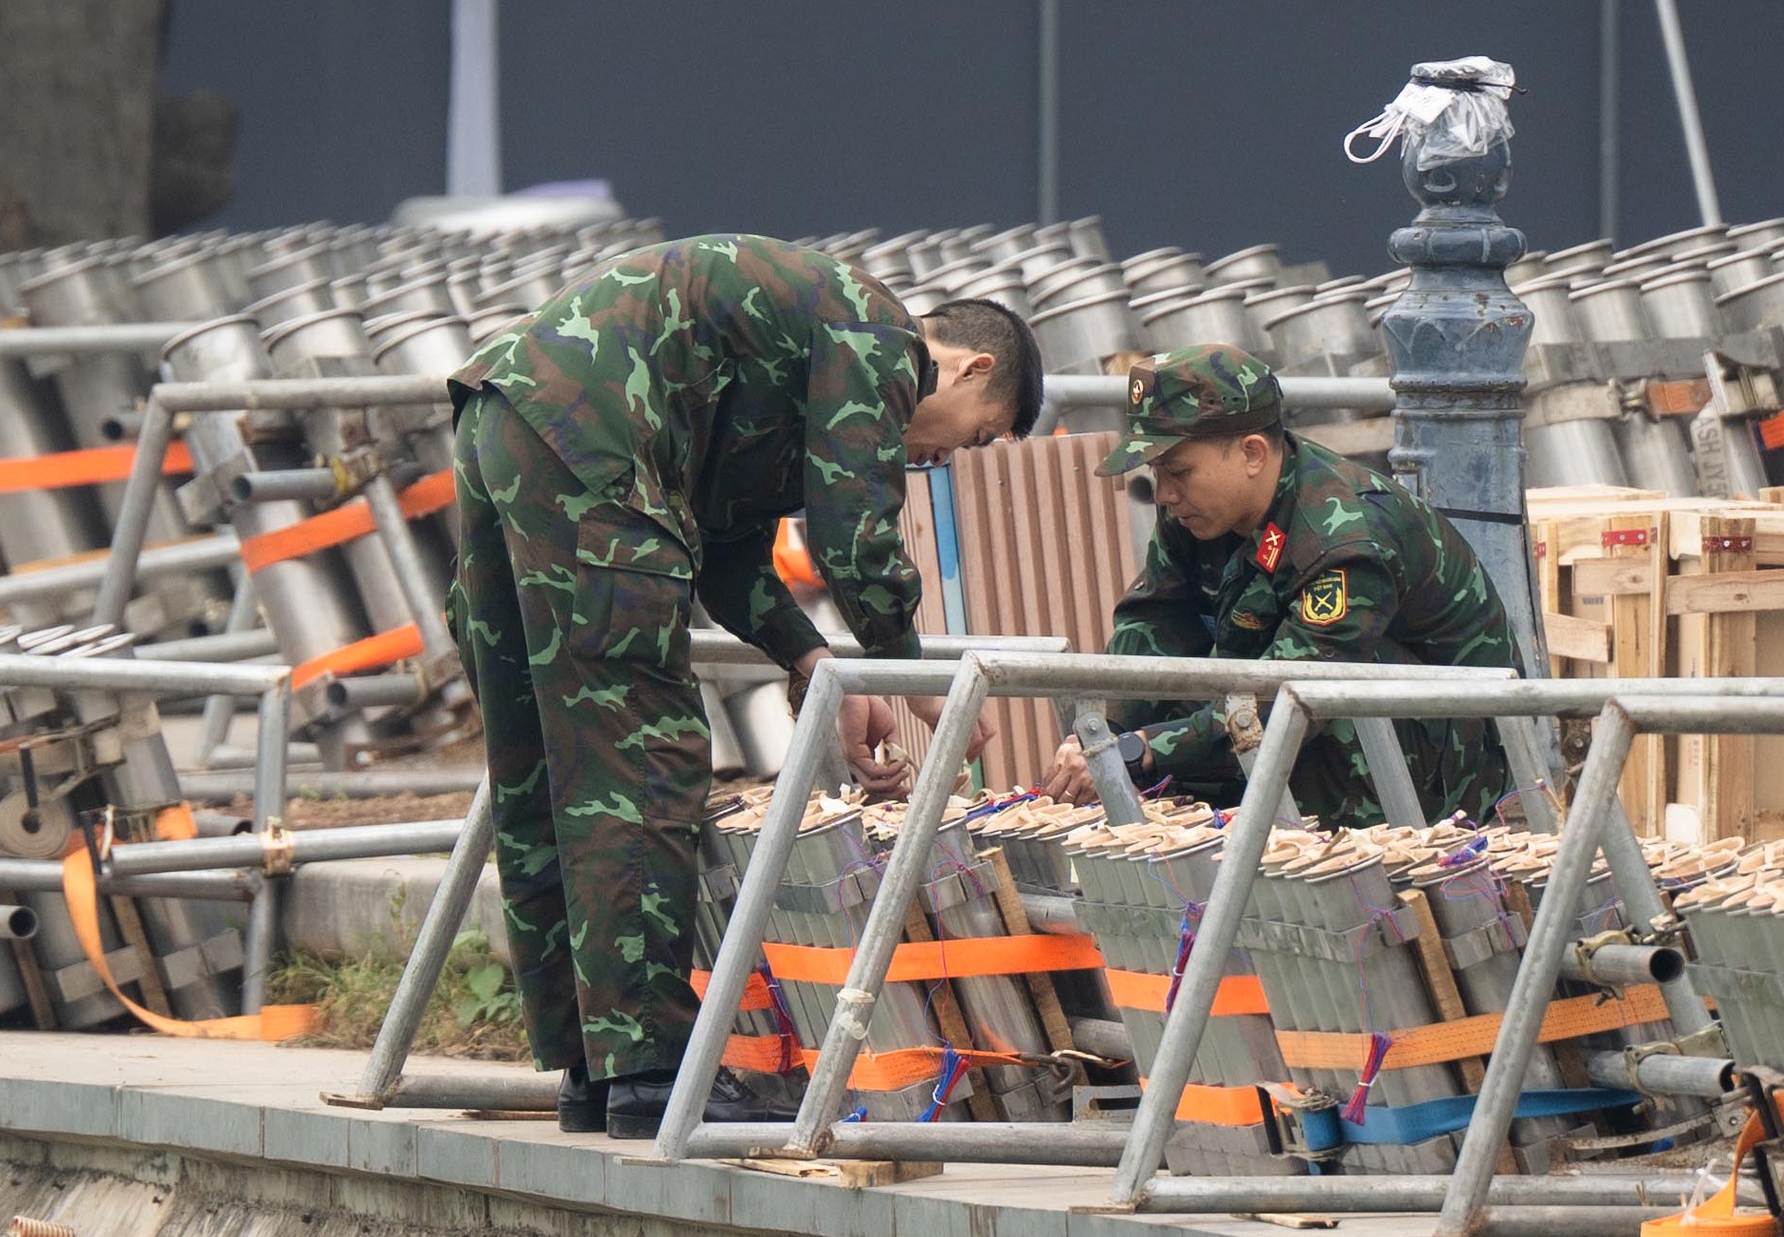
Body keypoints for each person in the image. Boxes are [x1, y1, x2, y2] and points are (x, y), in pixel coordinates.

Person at [446, 234, 1042, 1138]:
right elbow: (855, 534)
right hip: (591, 438)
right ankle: (649, 1067)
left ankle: (592, 1066)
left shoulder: (794, 356)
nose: (942, 461)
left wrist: (816, 664)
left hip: (512, 420)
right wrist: (918, 677)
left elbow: (729, 557)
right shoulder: (881, 337)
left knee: (545, 759)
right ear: (967, 369)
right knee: (640, 758)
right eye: (978, 436)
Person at [1042, 343, 1518, 828]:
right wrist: (1108, 731)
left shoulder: (1344, 539)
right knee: (1180, 698)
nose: (1164, 494)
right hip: (1305, 712)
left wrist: (1141, 751)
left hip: (1438, 759)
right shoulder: (1192, 513)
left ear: (1252, 453)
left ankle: (1328, 849)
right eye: (1156, 472)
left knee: (1314, 697)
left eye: (1179, 471)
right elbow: (1155, 621)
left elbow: (1295, 696)